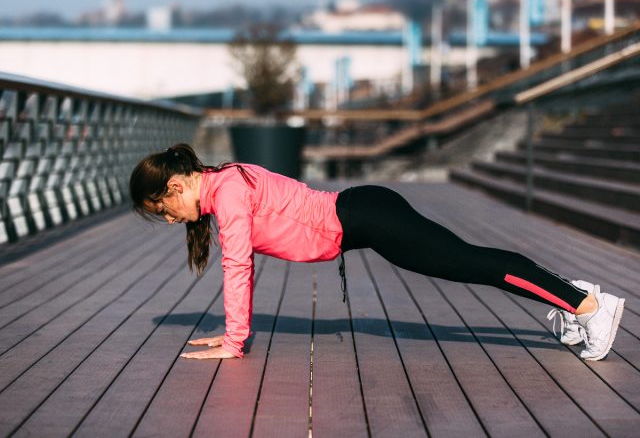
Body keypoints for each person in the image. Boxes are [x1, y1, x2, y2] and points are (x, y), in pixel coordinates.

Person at [129, 144, 625, 361]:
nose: (171, 219)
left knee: (473, 264)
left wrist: (234, 342)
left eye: (164, 209)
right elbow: (242, 263)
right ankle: (575, 296)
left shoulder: (227, 193)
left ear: (174, 186)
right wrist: (232, 334)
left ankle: (590, 307)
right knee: (469, 260)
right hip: (365, 213)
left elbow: (240, 266)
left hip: (367, 218)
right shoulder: (223, 185)